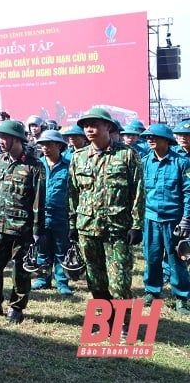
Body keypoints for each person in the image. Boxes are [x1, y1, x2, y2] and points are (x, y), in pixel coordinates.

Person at [68, 107, 145, 330]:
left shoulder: (127, 155)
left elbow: (138, 192)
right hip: (87, 228)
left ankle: (122, 325)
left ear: (108, 127)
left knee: (119, 281)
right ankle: (105, 319)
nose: (89, 129)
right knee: (95, 280)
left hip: (117, 229)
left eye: (95, 125)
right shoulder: (78, 157)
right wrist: (72, 224)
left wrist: (137, 224)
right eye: (86, 125)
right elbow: (73, 193)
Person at [0, 119, 45, 324]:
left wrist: (36, 229)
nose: (0, 141)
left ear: (17, 140)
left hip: (22, 228)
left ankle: (16, 307)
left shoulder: (34, 166)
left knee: (20, 269)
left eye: (5, 137)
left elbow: (38, 199)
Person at [139, 123, 190, 315]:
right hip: (150, 219)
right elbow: (140, 193)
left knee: (176, 259)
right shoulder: (145, 162)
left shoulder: (182, 163)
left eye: (154, 137)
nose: (150, 140)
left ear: (166, 140)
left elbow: (188, 192)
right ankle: (152, 291)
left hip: (174, 221)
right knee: (151, 257)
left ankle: (181, 297)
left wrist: (186, 218)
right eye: (148, 138)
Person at [32, 130, 72, 295]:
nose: (45, 148)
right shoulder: (37, 165)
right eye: (42, 144)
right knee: (42, 247)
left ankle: (62, 282)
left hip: (61, 215)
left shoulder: (68, 166)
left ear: (59, 146)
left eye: (49, 144)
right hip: (41, 215)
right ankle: (43, 279)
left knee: (62, 248)